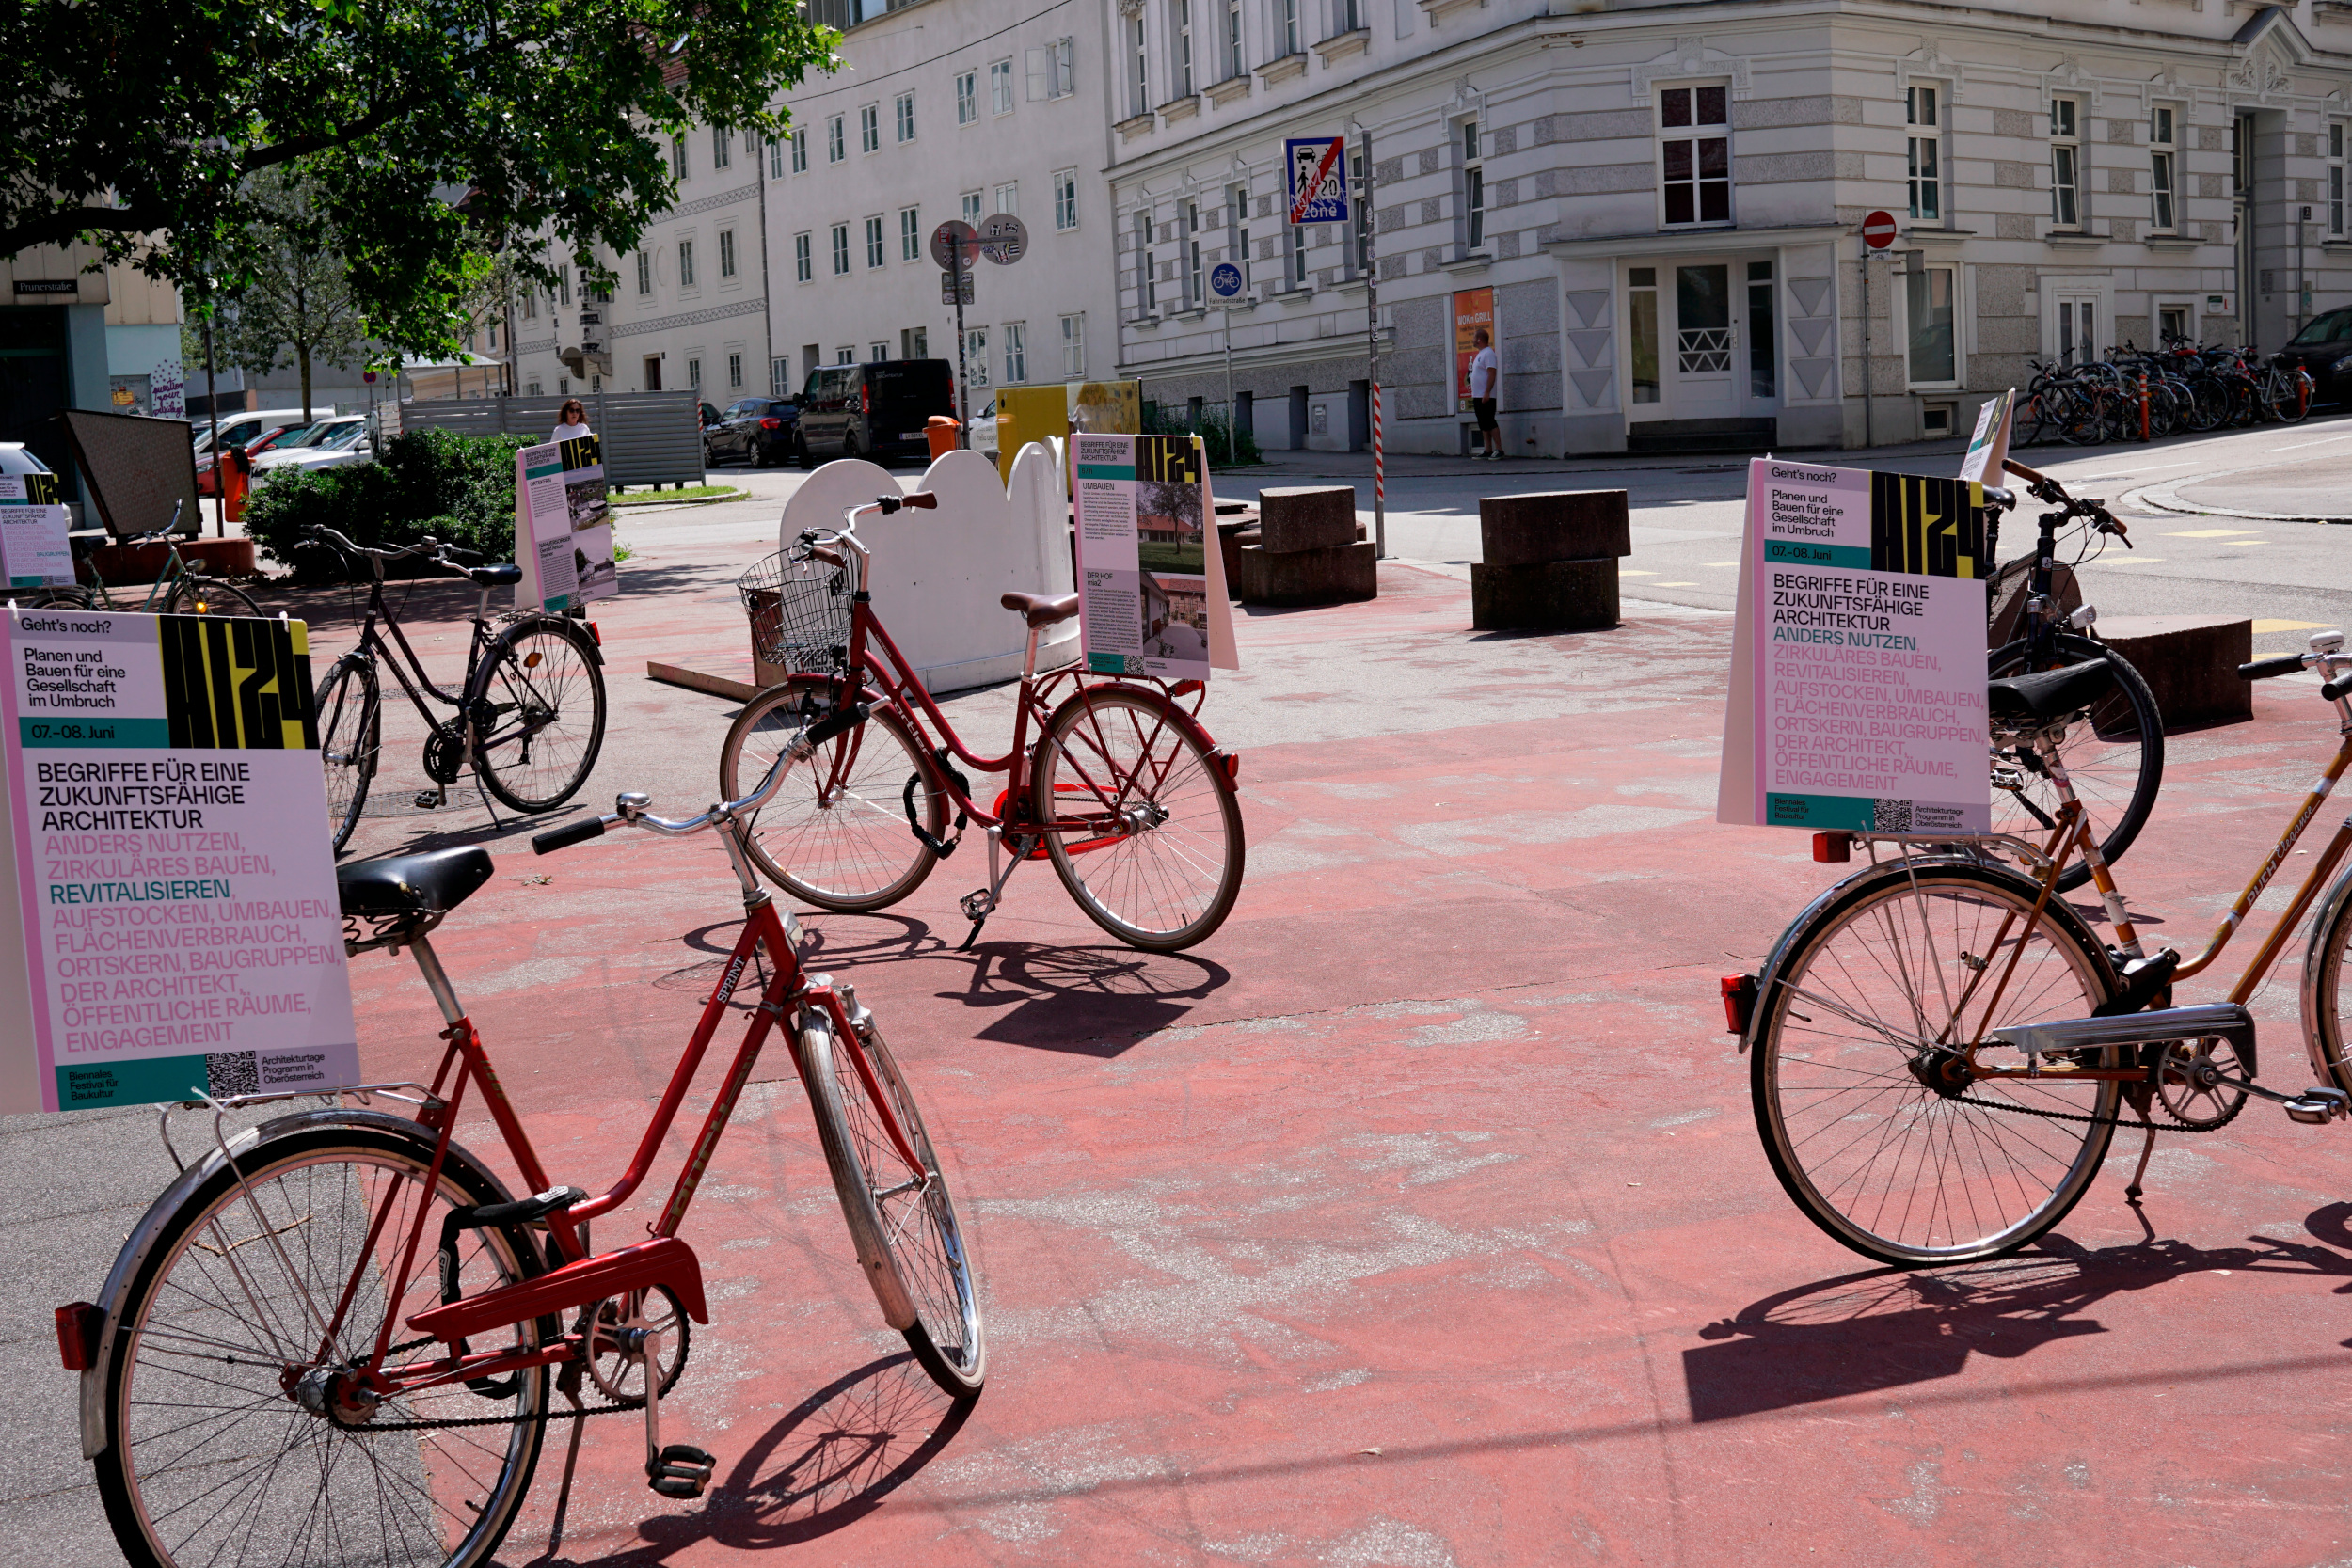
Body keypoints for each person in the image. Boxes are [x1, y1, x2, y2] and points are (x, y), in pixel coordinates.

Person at [1467, 329, 1502, 460]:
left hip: (1486, 395)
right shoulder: (1480, 354)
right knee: (1483, 423)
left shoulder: (1488, 353)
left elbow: (1492, 373)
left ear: (1479, 339)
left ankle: (1499, 449)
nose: (1472, 340)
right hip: (1478, 395)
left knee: (1490, 421)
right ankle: (1488, 449)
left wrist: (1487, 392)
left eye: (1474, 337)